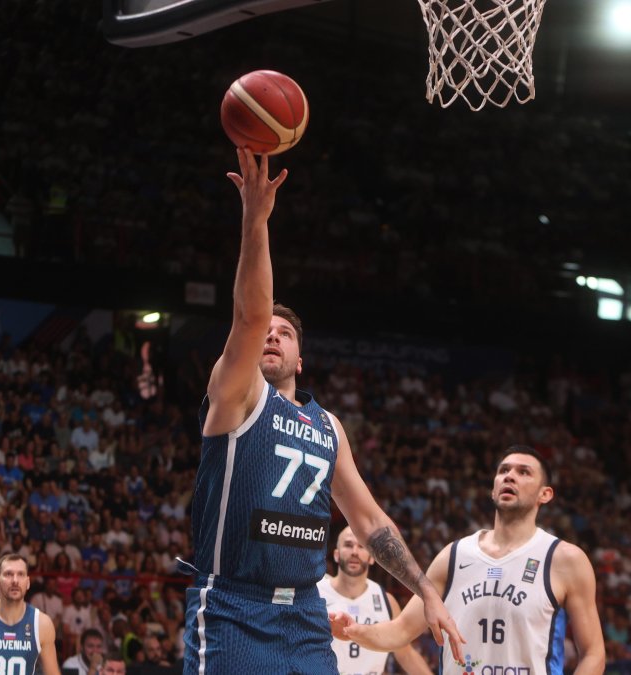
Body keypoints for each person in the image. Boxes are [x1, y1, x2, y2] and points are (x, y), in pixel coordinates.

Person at [183, 148, 462, 673]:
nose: (271, 335)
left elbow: (370, 521)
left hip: (306, 614)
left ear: (300, 360)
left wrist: (426, 590)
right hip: (234, 607)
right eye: (266, 332)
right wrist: (255, 221)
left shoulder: (327, 425)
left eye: (285, 334)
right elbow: (249, 316)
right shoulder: (237, 394)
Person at [336, 448, 604, 675]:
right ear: (493, 489)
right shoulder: (454, 556)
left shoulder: (565, 559)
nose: (510, 476)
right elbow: (402, 630)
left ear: (545, 494)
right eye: (503, 470)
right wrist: (353, 630)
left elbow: (593, 653)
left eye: (524, 472)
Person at [317, 527, 432, 675]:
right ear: (336, 555)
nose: (354, 552)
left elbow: (406, 654)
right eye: (348, 545)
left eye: (361, 546)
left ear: (372, 557)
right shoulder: (315, 593)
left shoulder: (386, 601)